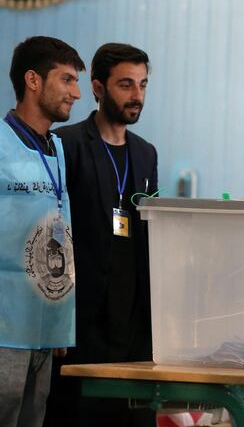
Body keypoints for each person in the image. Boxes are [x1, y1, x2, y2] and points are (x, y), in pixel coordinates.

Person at [45, 43, 158, 427]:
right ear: (97, 87)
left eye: (142, 84)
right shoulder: (66, 144)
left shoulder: (146, 154)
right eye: (126, 84)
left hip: (133, 322)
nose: (137, 95)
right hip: (81, 320)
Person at [1, 37, 84, 427]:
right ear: (33, 80)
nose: (77, 93)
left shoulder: (57, 148)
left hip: (45, 325)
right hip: (5, 326)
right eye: (67, 80)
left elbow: (57, 236)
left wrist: (60, 318)